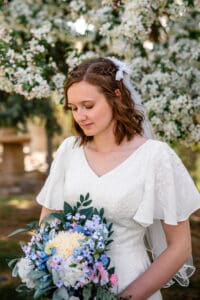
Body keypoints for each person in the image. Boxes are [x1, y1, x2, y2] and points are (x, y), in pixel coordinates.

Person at [37, 57, 200, 300]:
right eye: (73, 108)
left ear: (117, 96)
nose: (80, 116)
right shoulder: (68, 151)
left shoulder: (155, 156)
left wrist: (125, 298)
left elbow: (179, 248)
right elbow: (46, 225)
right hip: (72, 288)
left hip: (132, 284)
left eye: (88, 105)